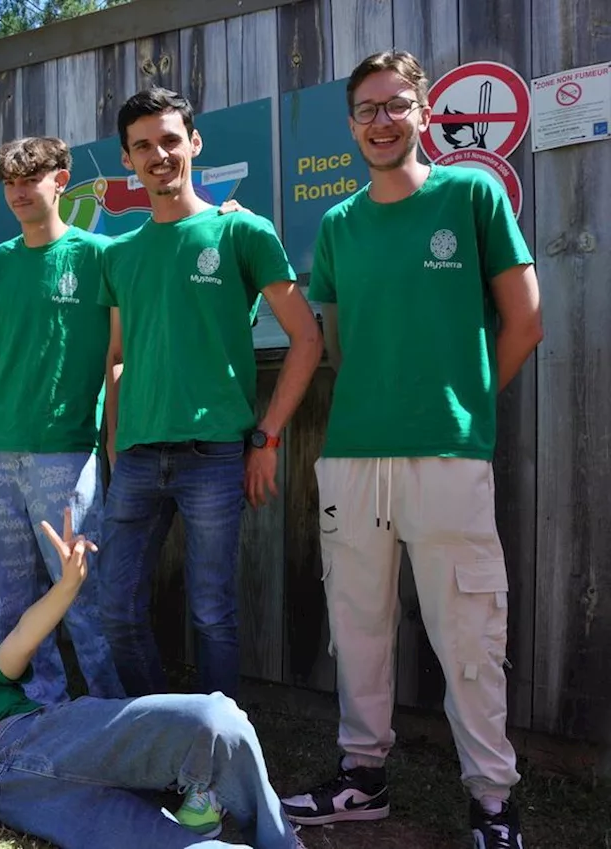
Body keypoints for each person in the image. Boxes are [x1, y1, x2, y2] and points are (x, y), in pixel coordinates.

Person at [277, 51, 541, 849]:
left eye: (395, 106)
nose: (381, 121)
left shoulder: (472, 194)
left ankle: (493, 804)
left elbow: (525, 320)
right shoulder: (337, 224)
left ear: (423, 113)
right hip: (355, 456)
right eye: (366, 109)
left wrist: (457, 403)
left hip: (448, 456)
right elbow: (337, 344)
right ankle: (361, 778)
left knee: (469, 632)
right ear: (351, 123)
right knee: (357, 624)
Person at [0, 508, 302, 849]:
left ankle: (274, 837)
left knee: (215, 715)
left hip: (58, 736)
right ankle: (199, 823)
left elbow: (23, 636)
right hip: (37, 800)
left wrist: (67, 585)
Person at [99, 87, 322, 700]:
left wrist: (267, 438)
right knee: (116, 611)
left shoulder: (242, 231)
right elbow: (115, 358)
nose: (159, 154)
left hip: (216, 458)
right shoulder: (121, 254)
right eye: (142, 146)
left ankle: (215, 758)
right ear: (127, 159)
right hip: (138, 461)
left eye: (171, 140)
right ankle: (159, 731)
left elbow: (306, 338)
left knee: (212, 617)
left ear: (194, 144)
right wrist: (117, 444)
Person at [0, 136, 123, 704]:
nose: (20, 191)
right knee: (12, 593)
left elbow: (120, 354)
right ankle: (37, 700)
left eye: (31, 178)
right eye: (11, 183)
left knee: (81, 593)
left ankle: (107, 709)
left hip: (67, 448)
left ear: (60, 179)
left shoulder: (101, 254)